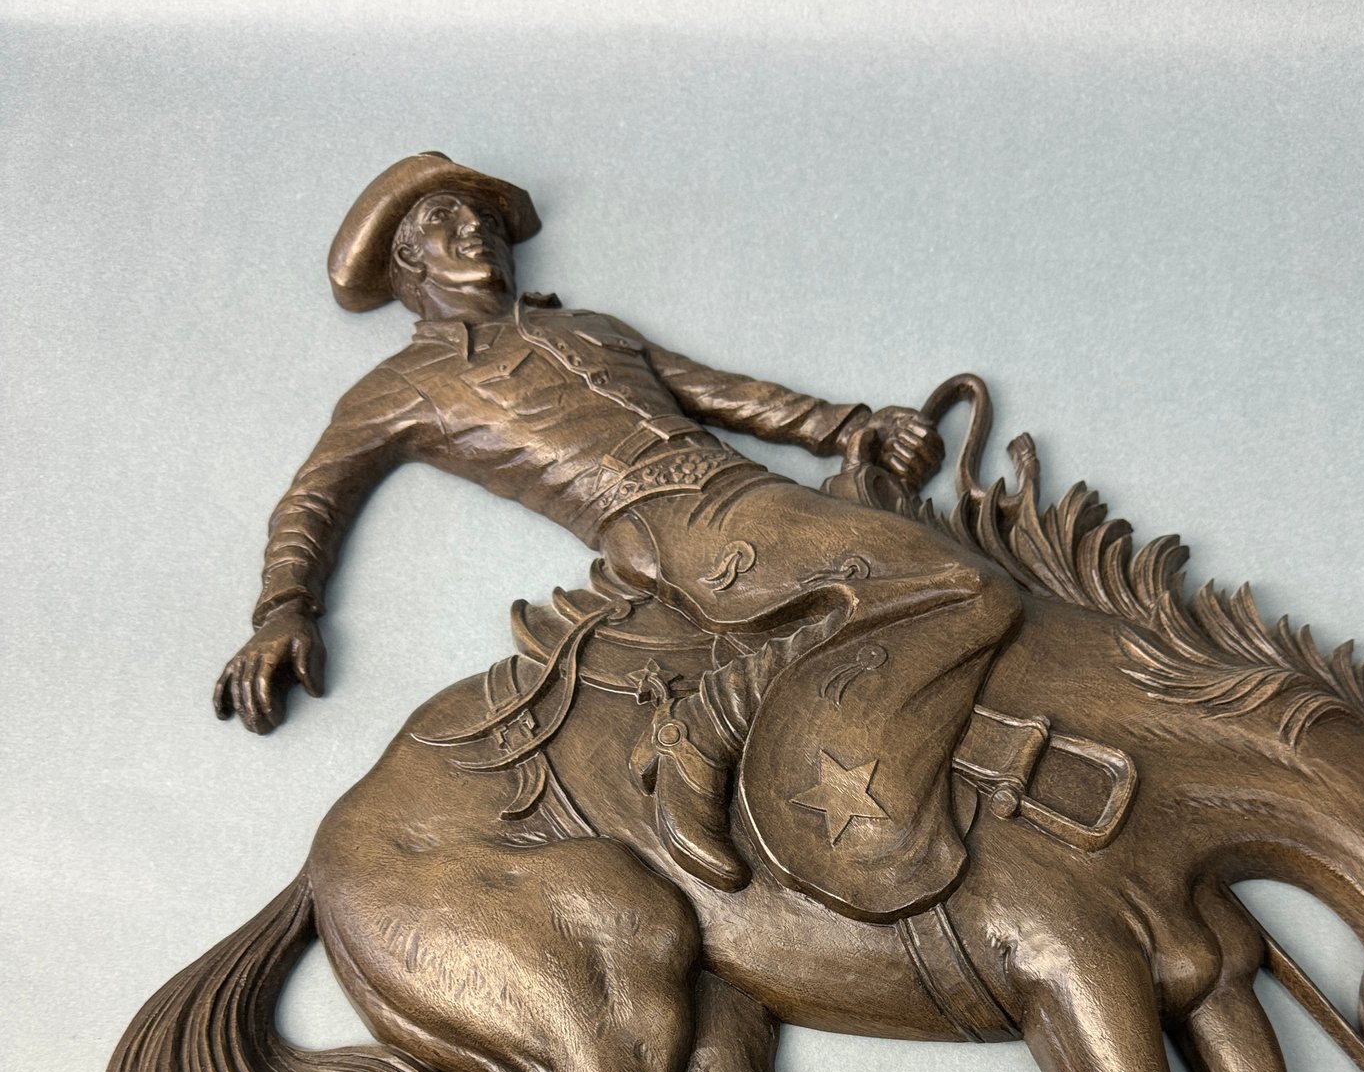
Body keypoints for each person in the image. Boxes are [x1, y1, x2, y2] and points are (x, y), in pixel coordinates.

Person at [215, 153, 1020, 921]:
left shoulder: (590, 326)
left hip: (752, 492)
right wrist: (283, 608)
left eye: (482, 217)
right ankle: (704, 732)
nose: (474, 229)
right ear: (407, 259)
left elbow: (720, 392)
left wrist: (851, 425)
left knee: (931, 585)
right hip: (669, 523)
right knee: (969, 587)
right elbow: (314, 496)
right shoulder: (403, 387)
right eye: (444, 219)